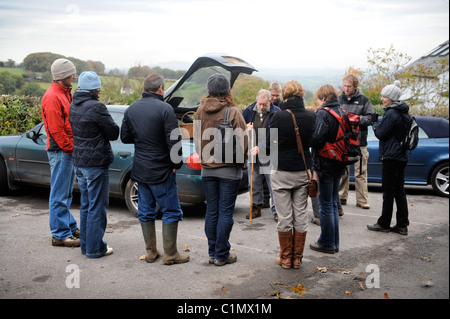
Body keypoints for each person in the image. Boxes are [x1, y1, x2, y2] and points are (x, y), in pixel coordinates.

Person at [121, 73, 189, 265]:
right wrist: (176, 164)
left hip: (140, 169)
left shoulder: (131, 109)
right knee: (171, 211)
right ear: (160, 88)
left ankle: (151, 253)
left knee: (146, 211)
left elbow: (125, 137)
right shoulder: (166, 109)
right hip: (161, 170)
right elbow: (174, 139)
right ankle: (171, 254)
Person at [194, 73, 248, 266]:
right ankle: (222, 254)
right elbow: (243, 142)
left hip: (207, 170)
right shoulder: (232, 112)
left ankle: (212, 252)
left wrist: (205, 160)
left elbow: (197, 142)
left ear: (209, 90)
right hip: (229, 170)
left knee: (212, 211)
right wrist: (241, 163)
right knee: (225, 212)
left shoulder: (200, 111)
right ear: (227, 91)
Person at [69, 71, 119, 258]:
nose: (99, 89)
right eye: (98, 86)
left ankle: (86, 246)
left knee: (86, 205)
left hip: (80, 162)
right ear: (95, 88)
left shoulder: (74, 104)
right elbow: (114, 132)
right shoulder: (97, 107)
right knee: (97, 206)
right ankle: (95, 248)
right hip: (96, 164)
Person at [269, 81, 316, 269]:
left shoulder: (278, 117)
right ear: (302, 95)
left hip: (281, 171)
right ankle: (297, 258)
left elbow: (270, 145)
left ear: (285, 95)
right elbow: (313, 141)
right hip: (303, 171)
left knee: (284, 217)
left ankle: (286, 257)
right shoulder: (312, 116)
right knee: (301, 215)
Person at [41, 58, 79, 247]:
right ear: (62, 76)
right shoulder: (53, 96)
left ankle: (69, 227)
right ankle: (60, 234)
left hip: (66, 151)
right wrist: (71, 149)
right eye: (71, 73)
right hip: (62, 151)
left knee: (65, 193)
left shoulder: (64, 93)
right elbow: (56, 130)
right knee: (59, 195)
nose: (74, 76)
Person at [368, 81, 410, 235]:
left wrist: (374, 123)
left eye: (384, 96)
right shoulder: (403, 112)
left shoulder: (391, 113)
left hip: (391, 157)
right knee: (399, 191)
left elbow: (380, 134)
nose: (382, 98)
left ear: (391, 97)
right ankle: (402, 224)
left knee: (388, 191)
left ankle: (384, 223)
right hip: (402, 156)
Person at [310, 84, 346, 254]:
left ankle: (326, 243)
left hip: (325, 163)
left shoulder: (323, 113)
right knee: (332, 203)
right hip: (339, 163)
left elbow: (317, 138)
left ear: (323, 98)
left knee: (325, 204)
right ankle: (335, 242)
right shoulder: (342, 112)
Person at [338, 74, 375, 211]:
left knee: (360, 172)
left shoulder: (364, 100)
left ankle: (362, 200)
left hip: (359, 142)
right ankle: (342, 196)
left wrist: (356, 119)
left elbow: (371, 118)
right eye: (344, 86)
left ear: (355, 86)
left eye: (349, 86)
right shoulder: (338, 98)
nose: (346, 89)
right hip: (343, 142)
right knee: (343, 171)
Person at [242, 89, 280, 221]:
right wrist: (245, 128)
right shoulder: (249, 110)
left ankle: (276, 211)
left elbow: (275, 136)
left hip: (269, 153)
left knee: (273, 184)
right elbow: (239, 126)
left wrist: (262, 147)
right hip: (252, 151)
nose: (262, 107)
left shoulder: (276, 113)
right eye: (260, 104)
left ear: (270, 101)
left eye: (264, 104)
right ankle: (255, 207)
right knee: (253, 181)